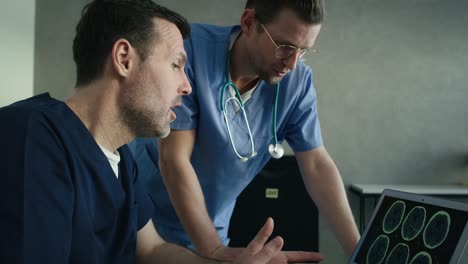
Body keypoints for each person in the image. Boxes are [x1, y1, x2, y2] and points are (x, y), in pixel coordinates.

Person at [0, 0, 320, 263]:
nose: (187, 85)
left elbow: (153, 250)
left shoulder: (123, 161)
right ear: (124, 59)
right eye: (176, 65)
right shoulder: (32, 135)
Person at [130, 0, 361, 261]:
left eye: (303, 50)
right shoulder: (191, 51)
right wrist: (214, 251)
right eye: (284, 47)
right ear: (249, 22)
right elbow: (174, 159)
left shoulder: (296, 83)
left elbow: (317, 165)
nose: (293, 63)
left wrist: (360, 252)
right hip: (147, 225)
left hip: (212, 229)